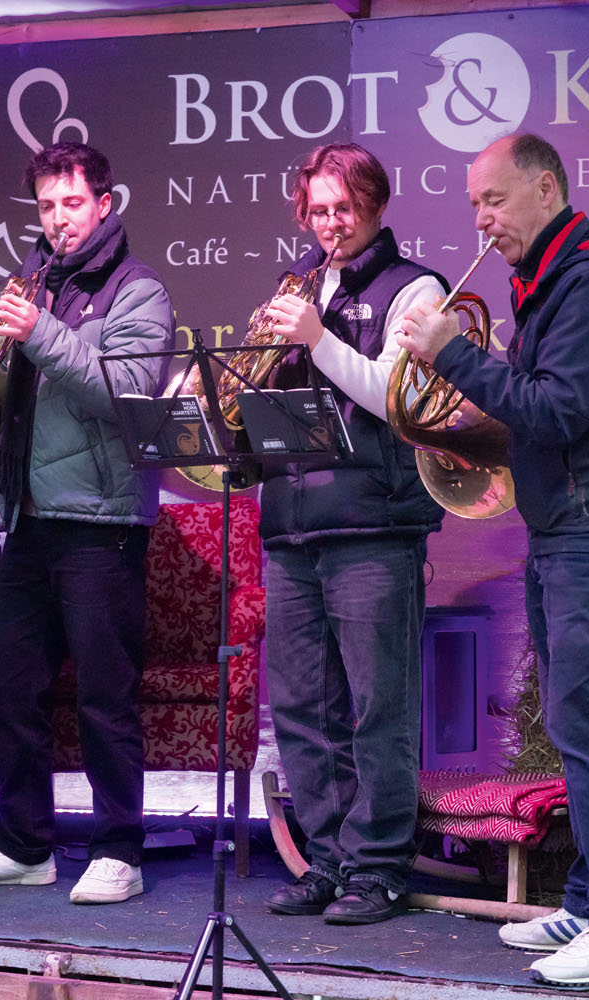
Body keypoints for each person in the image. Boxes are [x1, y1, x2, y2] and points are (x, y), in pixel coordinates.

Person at [397, 132, 589, 986]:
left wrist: (453, 353)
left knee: (587, 721)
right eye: (473, 204)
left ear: (546, 190)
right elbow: (536, 419)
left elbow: (557, 410)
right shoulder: (549, 281)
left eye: (494, 200)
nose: (481, 220)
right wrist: (455, 421)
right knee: (571, 719)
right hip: (566, 528)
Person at [0, 142, 174, 904]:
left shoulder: (139, 290)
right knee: (11, 695)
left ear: (105, 204)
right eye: (46, 205)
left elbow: (128, 392)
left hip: (102, 519)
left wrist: (37, 331)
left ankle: (120, 851)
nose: (59, 218)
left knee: (106, 696)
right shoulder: (34, 282)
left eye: (73, 202)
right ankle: (22, 846)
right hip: (28, 516)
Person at [256, 143, 446, 925]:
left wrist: (316, 339)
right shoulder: (298, 285)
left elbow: (393, 396)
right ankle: (327, 861)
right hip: (290, 523)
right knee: (302, 709)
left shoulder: (418, 288)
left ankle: (380, 868)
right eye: (318, 210)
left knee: (378, 709)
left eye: (345, 208)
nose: (331, 223)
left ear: (376, 205)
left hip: (375, 524)